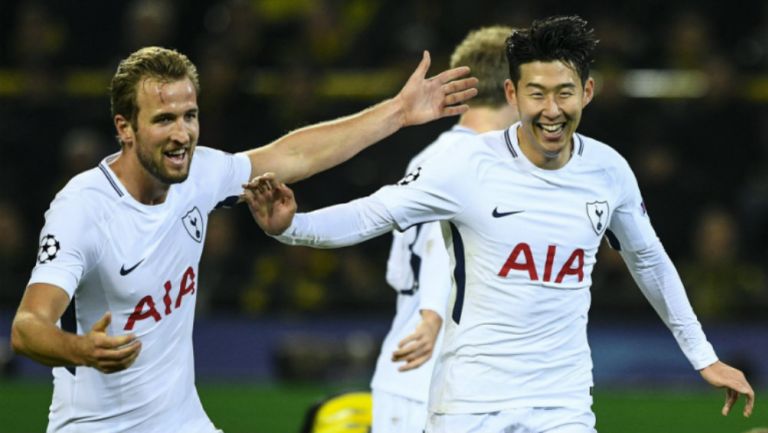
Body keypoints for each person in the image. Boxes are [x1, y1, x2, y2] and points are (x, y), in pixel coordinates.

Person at [243, 16, 755, 433]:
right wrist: (291, 227)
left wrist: (702, 356)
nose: (551, 110)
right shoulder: (465, 165)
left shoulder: (609, 171)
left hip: (563, 406)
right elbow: (375, 212)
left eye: (565, 93)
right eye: (537, 94)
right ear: (511, 93)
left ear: (589, 92)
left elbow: (649, 260)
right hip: (469, 405)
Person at [9, 46, 477, 433]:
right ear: (124, 128)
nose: (182, 134)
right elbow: (28, 326)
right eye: (164, 119)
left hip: (180, 421)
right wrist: (80, 350)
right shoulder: (83, 208)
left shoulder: (199, 174)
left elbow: (291, 155)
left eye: (189, 116)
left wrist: (397, 111)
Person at [370, 25, 518, 433]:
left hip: (403, 372)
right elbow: (444, 253)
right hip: (442, 378)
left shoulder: (427, 156)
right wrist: (434, 315)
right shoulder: (486, 163)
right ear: (514, 89)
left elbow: (398, 273)